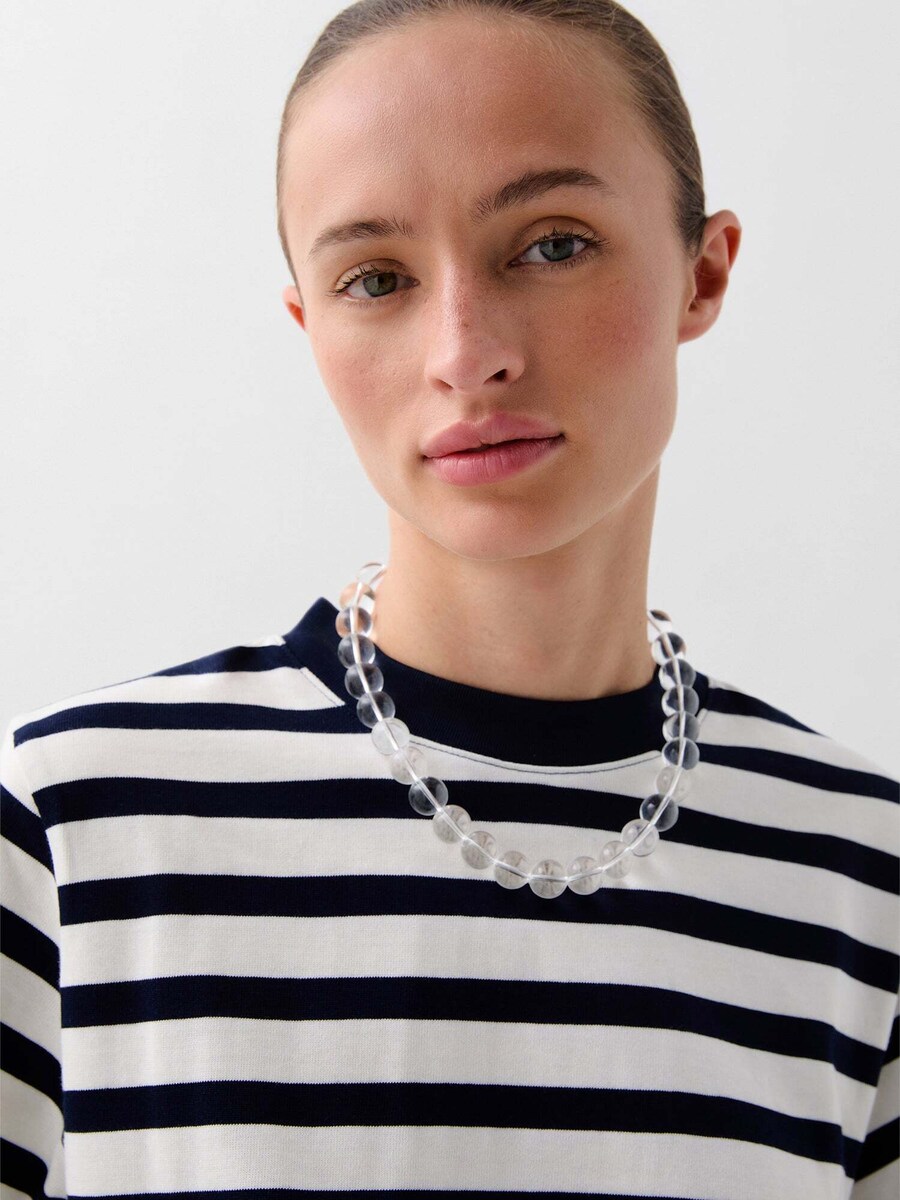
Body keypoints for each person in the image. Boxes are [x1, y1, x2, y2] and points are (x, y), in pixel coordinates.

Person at [2, 0, 897, 1195]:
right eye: (376, 279)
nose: (465, 354)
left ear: (704, 270)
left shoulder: (864, 877)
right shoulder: (69, 831)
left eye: (553, 244)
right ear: (308, 323)